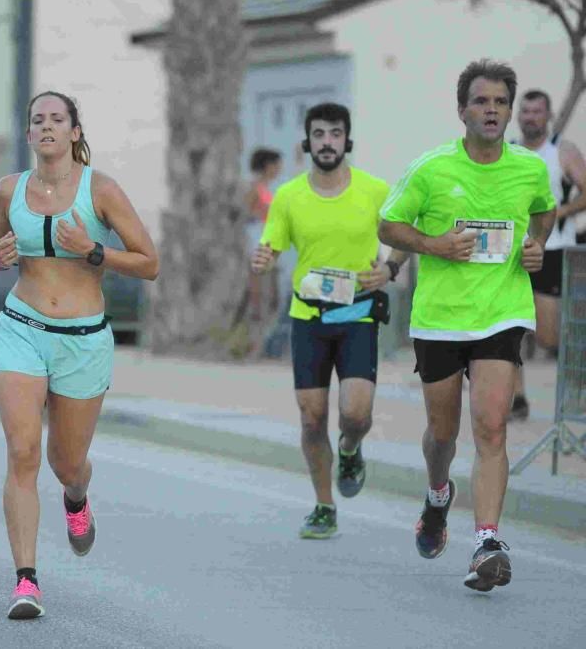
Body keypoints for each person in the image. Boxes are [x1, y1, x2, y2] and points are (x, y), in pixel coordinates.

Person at [379, 59, 555, 592]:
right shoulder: (431, 169)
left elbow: (544, 211)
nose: (493, 110)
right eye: (482, 101)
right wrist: (433, 245)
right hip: (439, 318)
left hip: (501, 311)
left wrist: (537, 245)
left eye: (501, 101)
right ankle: (437, 495)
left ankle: (487, 541)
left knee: (492, 426)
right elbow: (388, 223)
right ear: (462, 111)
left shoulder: (529, 169)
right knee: (443, 432)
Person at [0, 91, 158, 619]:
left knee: (66, 464)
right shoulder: (7, 190)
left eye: (57, 120)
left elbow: (149, 263)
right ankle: (26, 581)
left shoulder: (100, 190)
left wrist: (95, 251)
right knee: (22, 452)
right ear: (29, 133)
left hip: (83, 340)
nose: (46, 127)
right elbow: (0, 251)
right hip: (20, 329)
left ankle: (77, 498)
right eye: (37, 119)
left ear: (75, 132)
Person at [251, 103, 409, 539]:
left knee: (355, 414)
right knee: (311, 417)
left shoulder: (375, 191)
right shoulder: (288, 196)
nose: (326, 141)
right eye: (318, 134)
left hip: (358, 313)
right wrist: (263, 260)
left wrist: (391, 269)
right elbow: (271, 247)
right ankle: (324, 504)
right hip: (309, 316)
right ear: (307, 142)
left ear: (347, 140)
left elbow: (405, 235)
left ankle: (352, 447)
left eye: (334, 133)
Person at [509, 89, 586, 419]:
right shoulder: (507, 152)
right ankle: (517, 398)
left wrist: (559, 213)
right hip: (513, 252)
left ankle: (574, 394)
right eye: (525, 111)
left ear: (548, 115)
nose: (530, 117)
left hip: (553, 250)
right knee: (508, 328)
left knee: (548, 335)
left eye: (537, 111)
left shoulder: (562, 151)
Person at [245, 148, 282, 321]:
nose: (279, 169)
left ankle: (262, 312)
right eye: (277, 165)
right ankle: (256, 312)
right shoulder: (255, 187)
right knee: (258, 279)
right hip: (256, 238)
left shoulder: (265, 188)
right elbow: (247, 212)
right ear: (268, 166)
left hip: (266, 238)